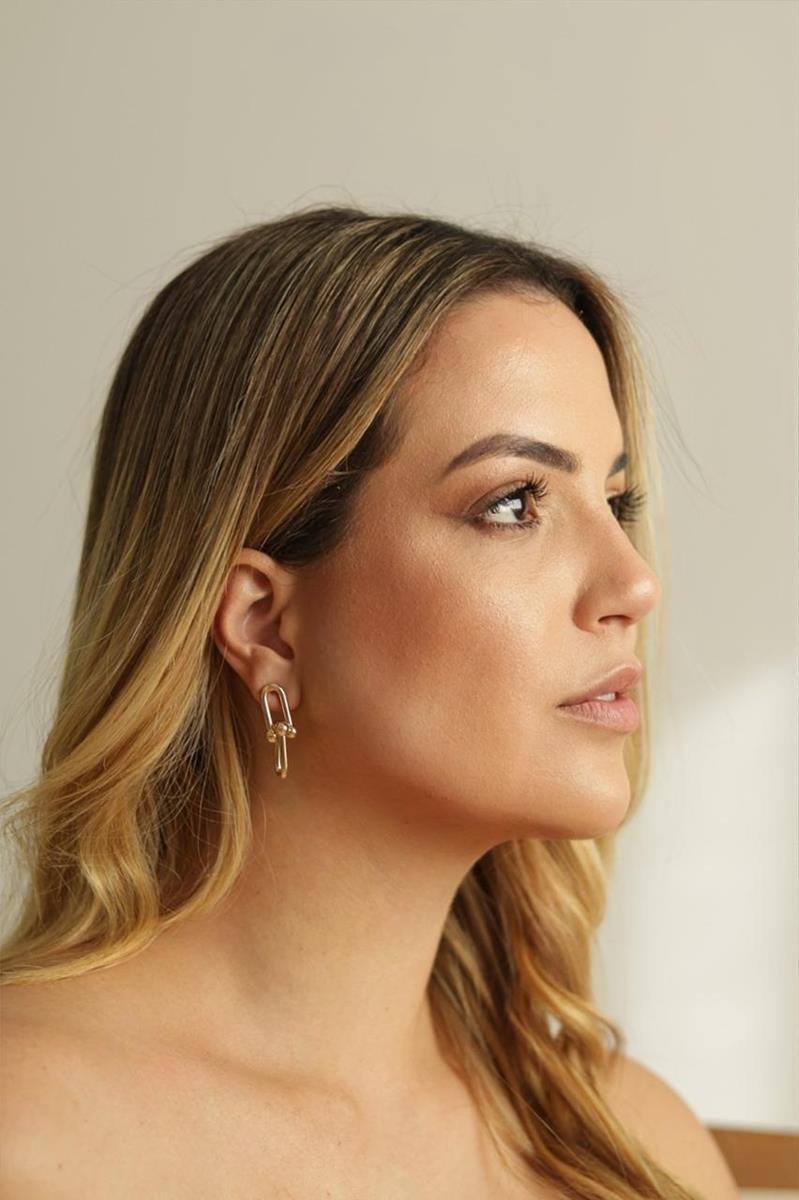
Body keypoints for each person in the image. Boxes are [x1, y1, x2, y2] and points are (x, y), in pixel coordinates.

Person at [0, 206, 737, 1199]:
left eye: (617, 503)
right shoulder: (30, 1134)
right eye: (514, 502)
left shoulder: (633, 1146)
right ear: (264, 623)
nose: (633, 584)